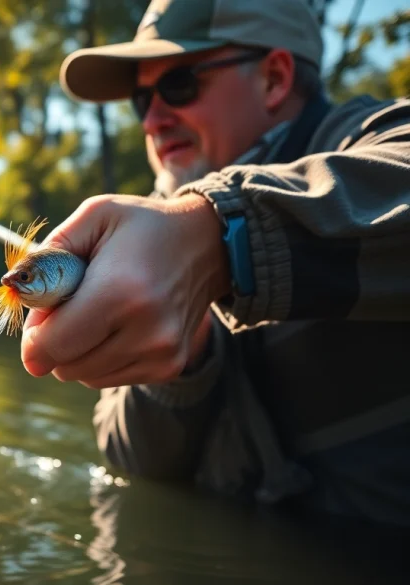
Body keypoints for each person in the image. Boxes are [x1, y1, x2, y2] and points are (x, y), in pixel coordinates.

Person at [21, 0, 410, 525]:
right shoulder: (148, 245)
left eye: (179, 85)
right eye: (141, 99)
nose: (152, 120)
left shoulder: (370, 136)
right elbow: (137, 463)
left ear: (274, 79)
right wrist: (185, 358)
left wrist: (222, 233)